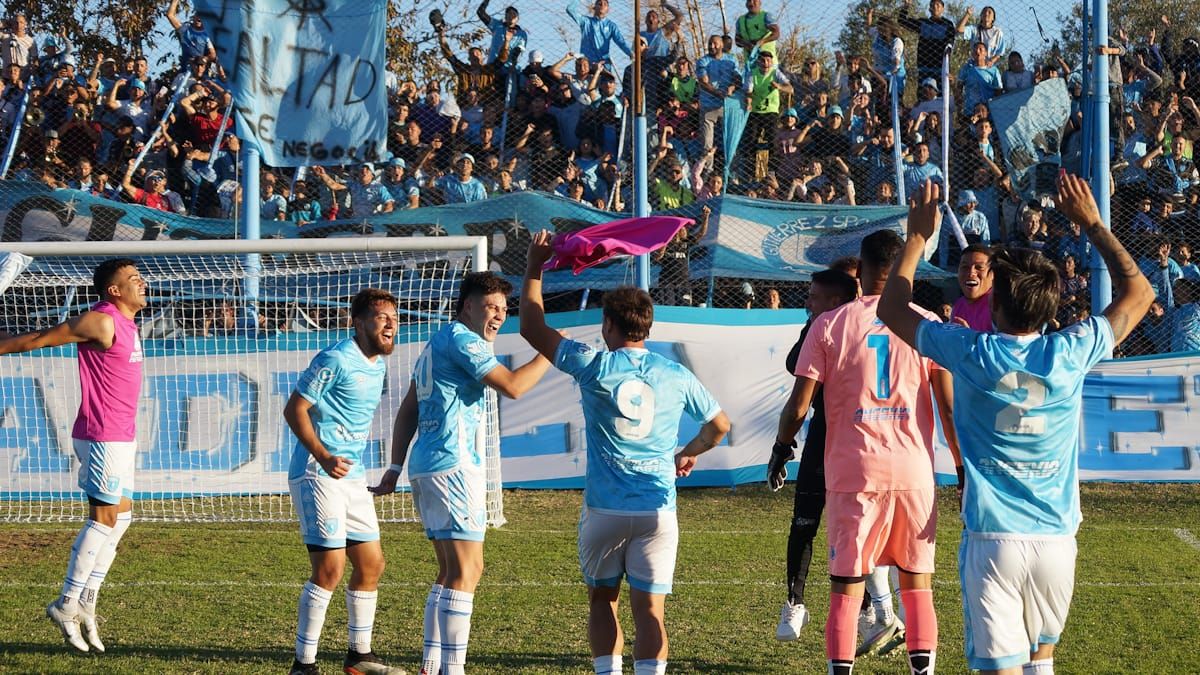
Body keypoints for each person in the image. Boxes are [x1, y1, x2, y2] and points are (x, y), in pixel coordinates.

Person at [879, 174, 1153, 675]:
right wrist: (1092, 224)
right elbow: (1138, 291)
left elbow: (891, 308)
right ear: (1051, 311)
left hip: (992, 542)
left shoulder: (971, 350)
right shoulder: (1071, 349)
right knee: (1040, 661)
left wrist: (918, 235)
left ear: (995, 304)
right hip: (1056, 542)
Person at [519, 230, 731, 675]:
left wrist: (535, 266)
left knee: (603, 599)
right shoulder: (674, 373)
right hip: (657, 508)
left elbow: (532, 328)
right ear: (648, 327)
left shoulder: (593, 364)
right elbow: (719, 427)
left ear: (609, 326)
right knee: (650, 611)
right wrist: (688, 452)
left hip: (606, 508)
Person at [776, 229, 959, 675]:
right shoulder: (925, 323)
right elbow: (948, 408)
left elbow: (799, 405)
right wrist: (959, 463)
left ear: (861, 269)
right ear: (903, 269)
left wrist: (782, 446)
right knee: (916, 586)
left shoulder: (830, 323)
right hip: (914, 472)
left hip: (854, 474)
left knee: (846, 588)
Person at [374, 272, 553, 675]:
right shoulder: (462, 339)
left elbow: (408, 408)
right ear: (468, 305)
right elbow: (513, 386)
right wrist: (550, 351)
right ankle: (452, 670)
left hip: (429, 466)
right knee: (468, 571)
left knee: (451, 571)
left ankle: (431, 665)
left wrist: (395, 467)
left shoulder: (438, 340)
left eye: (504, 310)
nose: (499, 317)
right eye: (492, 307)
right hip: (452, 466)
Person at [0, 259, 148, 654]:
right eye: (133, 279)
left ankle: (87, 600)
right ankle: (66, 603)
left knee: (122, 518)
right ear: (114, 290)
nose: (142, 282)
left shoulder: (129, 322)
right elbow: (38, 340)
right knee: (103, 518)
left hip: (122, 435)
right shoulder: (101, 320)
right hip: (102, 436)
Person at [282, 289, 406, 675]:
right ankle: (304, 665)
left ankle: (359, 656)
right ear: (358, 322)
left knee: (372, 564)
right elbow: (294, 408)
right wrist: (323, 455)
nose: (391, 324)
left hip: (353, 477)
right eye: (381, 317)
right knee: (330, 570)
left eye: (394, 318)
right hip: (318, 473)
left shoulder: (378, 365)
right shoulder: (335, 358)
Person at [768, 269, 858, 641]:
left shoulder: (859, 329)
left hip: (853, 439)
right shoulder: (819, 329)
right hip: (823, 434)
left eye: (814, 297)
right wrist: (814, 323)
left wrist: (781, 446)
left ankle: (874, 605)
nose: (807, 302)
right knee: (804, 520)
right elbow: (793, 363)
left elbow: (797, 404)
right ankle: (795, 602)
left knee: (854, 528)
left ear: (835, 302)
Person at [950, 243, 994, 331]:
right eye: (965, 267)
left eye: (979, 267)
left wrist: (970, 338)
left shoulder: (999, 308)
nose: (971, 273)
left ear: (993, 274)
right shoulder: (959, 306)